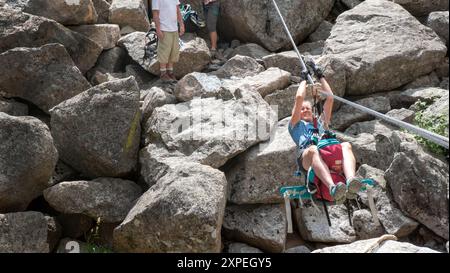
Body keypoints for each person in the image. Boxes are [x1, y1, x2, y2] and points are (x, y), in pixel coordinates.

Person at [288, 63, 363, 204]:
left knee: (346, 145)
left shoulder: (321, 123)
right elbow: (299, 98)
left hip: (326, 154)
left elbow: (330, 97)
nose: (304, 110)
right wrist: (303, 79)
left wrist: (320, 75)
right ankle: (332, 187)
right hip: (307, 157)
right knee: (313, 150)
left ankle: (351, 181)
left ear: (312, 111)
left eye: (307, 108)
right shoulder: (295, 125)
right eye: (302, 109)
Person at [152, 0, 185, 83]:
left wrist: (181, 24)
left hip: (174, 28)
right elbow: (155, 13)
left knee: (173, 52)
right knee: (164, 52)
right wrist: (158, 29)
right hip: (164, 29)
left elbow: (177, 10)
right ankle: (163, 74)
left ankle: (170, 73)